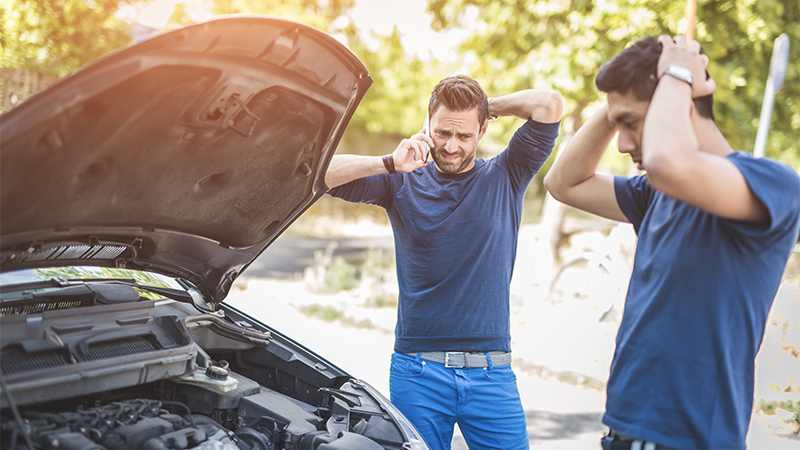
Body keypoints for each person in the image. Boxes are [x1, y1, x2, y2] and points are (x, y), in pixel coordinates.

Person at [544, 35, 800, 450]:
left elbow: (669, 163)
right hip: (623, 433)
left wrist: (676, 77)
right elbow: (563, 183)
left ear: (682, 102)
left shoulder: (774, 185)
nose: (623, 144)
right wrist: (619, 104)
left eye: (631, 124)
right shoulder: (655, 194)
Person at [325, 75, 562, 450]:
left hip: (492, 374)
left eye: (464, 135)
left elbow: (548, 104)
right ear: (427, 125)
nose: (451, 146)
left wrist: (487, 104)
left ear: (483, 130)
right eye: (442, 133)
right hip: (417, 372)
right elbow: (319, 173)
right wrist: (388, 162)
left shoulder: (507, 175)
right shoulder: (399, 182)